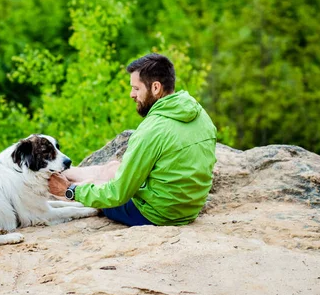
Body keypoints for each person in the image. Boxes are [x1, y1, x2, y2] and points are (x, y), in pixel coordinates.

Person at [48, 53, 217, 226]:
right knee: (113, 168)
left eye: (136, 88)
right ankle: (62, 173)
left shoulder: (152, 130)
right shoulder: (201, 116)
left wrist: (70, 191)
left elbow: (117, 194)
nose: (131, 94)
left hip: (156, 215)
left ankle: (55, 181)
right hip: (189, 209)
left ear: (156, 88)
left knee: (100, 183)